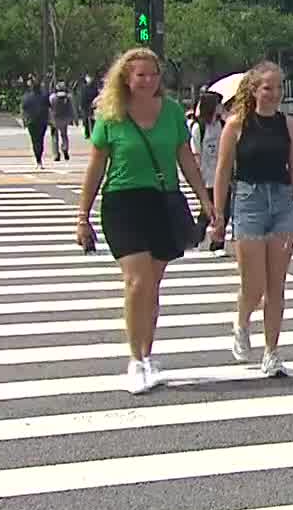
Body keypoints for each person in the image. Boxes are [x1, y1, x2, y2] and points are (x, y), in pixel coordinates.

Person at [78, 47, 212, 395]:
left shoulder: (170, 113)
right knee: (136, 282)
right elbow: (95, 168)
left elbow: (185, 157)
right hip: (123, 202)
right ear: (126, 77)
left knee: (152, 285)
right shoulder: (111, 115)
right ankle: (135, 360)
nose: (148, 80)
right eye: (140, 75)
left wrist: (204, 198)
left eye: (153, 74)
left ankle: (148, 354)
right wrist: (82, 216)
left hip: (162, 201)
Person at [208, 62, 293, 376]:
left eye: (279, 87)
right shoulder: (237, 124)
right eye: (268, 88)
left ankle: (272, 351)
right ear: (254, 90)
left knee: (276, 285)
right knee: (253, 285)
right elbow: (223, 172)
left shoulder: (289, 126)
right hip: (248, 200)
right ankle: (242, 322)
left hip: (282, 202)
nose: (274, 94)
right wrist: (218, 216)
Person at [192, 91, 228, 253]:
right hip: (206, 176)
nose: (221, 107)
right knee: (207, 211)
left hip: (223, 175)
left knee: (224, 211)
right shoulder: (198, 127)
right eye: (218, 104)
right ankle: (196, 237)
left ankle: (218, 243)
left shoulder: (223, 125)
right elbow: (196, 153)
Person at [48, 81, 77, 162]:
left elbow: (49, 109)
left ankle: (56, 154)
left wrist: (49, 119)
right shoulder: (68, 97)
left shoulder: (52, 97)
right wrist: (75, 119)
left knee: (54, 137)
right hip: (65, 119)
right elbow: (72, 109)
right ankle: (65, 148)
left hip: (55, 119)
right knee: (64, 135)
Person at [78, 73, 98, 139]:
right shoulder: (84, 87)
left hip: (93, 106)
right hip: (85, 106)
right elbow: (82, 97)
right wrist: (81, 105)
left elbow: (97, 95)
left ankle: (93, 133)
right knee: (86, 120)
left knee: (93, 120)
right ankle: (87, 134)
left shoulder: (94, 87)